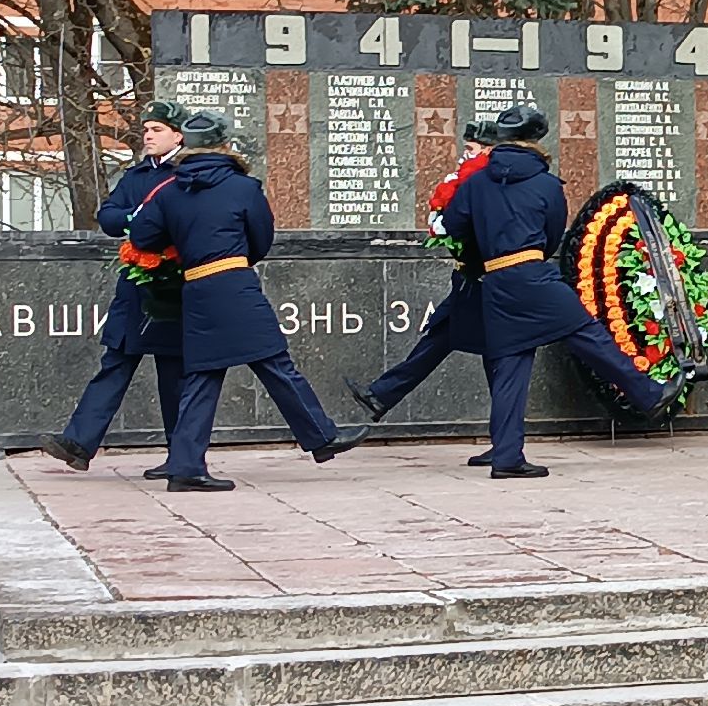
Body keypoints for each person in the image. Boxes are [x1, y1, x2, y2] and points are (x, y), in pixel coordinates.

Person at [127, 113, 369, 491]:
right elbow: (261, 238)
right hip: (234, 282)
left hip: (196, 287)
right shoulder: (243, 188)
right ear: (224, 146)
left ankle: (186, 465)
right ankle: (321, 438)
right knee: (274, 361)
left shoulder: (171, 190)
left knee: (203, 375)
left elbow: (142, 236)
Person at [444, 105, 684, 479]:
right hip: (534, 274)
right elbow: (554, 235)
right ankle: (649, 394)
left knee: (510, 367)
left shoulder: (475, 183)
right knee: (588, 334)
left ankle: (506, 455)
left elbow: (454, 225)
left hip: (496, 281)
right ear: (534, 141)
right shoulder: (546, 185)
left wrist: (487, 252)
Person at [42, 100, 189, 473]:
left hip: (172, 286)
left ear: (178, 134)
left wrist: (155, 221)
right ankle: (79, 442)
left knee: (174, 376)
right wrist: (135, 218)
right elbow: (108, 215)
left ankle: (181, 456)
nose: (148, 136)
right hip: (135, 286)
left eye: (156, 130)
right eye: (146, 130)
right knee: (115, 363)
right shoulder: (137, 175)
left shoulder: (189, 171)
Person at [345, 121, 496, 465]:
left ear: (488, 150)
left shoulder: (485, 182)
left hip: (485, 283)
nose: (464, 156)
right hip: (469, 282)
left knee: (495, 363)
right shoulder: (474, 180)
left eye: (471, 150)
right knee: (440, 339)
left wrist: (448, 226)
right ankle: (381, 395)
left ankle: (505, 442)